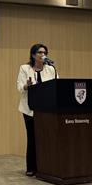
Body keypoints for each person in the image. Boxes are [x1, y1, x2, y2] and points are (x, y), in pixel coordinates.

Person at [16, 43, 56, 177]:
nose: (42, 55)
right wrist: (27, 86)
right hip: (29, 109)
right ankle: (31, 167)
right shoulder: (25, 68)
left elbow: (57, 85)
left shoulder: (51, 69)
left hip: (47, 109)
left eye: (44, 52)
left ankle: (45, 166)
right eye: (39, 52)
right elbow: (20, 87)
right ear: (33, 55)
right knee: (32, 137)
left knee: (45, 137)